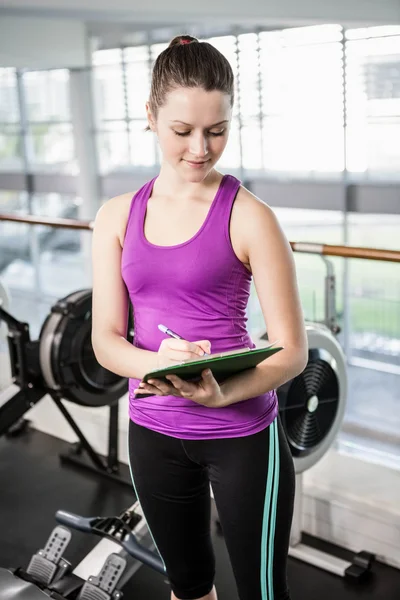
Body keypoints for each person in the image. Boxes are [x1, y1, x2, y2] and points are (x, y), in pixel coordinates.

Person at [92, 34, 308, 600]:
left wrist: (221, 396)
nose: (200, 149)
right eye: (182, 131)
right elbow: (106, 340)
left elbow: (293, 350)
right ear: (150, 116)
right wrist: (155, 362)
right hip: (154, 434)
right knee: (188, 588)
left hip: (241, 436)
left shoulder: (251, 217)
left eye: (217, 131)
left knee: (264, 593)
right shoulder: (116, 217)